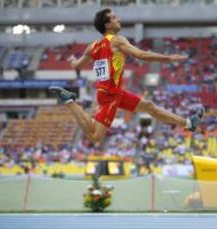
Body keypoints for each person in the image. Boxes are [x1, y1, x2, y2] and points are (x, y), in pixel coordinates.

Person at [49, 8, 204, 143]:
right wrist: (168, 58)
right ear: (107, 25)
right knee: (95, 137)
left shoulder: (92, 47)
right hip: (110, 96)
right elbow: (141, 55)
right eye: (115, 18)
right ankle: (69, 100)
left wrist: (72, 60)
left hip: (114, 93)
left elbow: (77, 66)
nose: (119, 20)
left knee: (149, 106)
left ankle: (189, 123)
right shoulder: (117, 41)